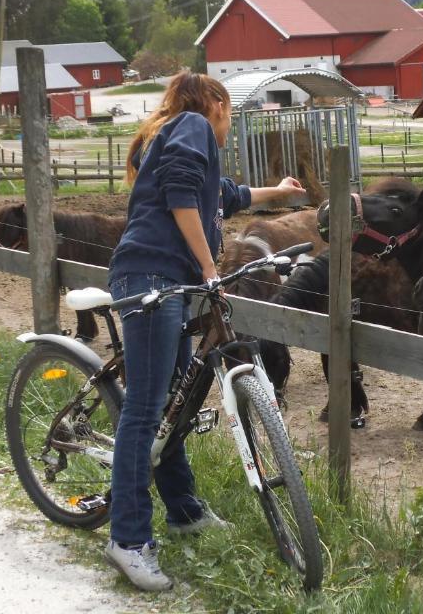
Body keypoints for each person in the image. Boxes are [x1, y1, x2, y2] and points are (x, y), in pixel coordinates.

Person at [104, 71, 306, 591]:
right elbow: (180, 199)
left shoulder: (187, 142)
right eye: (231, 109)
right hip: (151, 275)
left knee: (174, 404)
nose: (230, 120)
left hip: (169, 280)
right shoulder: (192, 124)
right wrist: (209, 267)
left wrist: (278, 193)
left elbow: (226, 196)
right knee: (146, 408)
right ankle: (127, 540)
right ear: (215, 102)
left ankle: (185, 510)